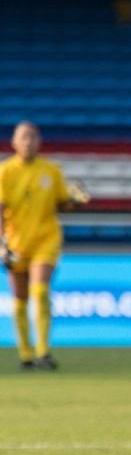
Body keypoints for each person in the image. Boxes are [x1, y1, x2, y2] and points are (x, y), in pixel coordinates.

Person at [0, 121, 88, 370]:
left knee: (40, 291)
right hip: (15, 243)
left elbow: (62, 205)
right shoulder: (5, 172)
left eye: (32, 137)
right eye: (23, 138)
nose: (28, 142)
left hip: (45, 240)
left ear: (39, 142)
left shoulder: (51, 171)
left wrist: (76, 202)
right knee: (19, 299)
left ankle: (43, 352)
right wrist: (1, 244)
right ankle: (25, 354)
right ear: (14, 143)